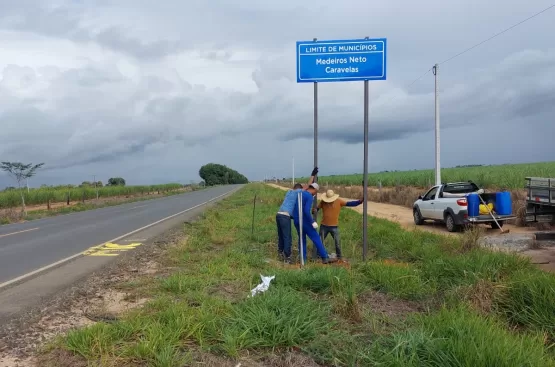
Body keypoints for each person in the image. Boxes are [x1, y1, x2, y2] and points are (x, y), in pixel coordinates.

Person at [276, 167, 318, 263]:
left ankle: (280, 253)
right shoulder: (297, 192)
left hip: (278, 215)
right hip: (285, 216)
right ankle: (287, 257)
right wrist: (313, 175)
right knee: (287, 237)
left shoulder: (289, 192)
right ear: (299, 189)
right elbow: (307, 186)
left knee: (281, 236)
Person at [292, 183, 337, 264]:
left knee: (302, 240)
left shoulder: (299, 194)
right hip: (305, 221)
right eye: (315, 192)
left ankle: (303, 260)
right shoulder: (309, 196)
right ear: (314, 190)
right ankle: (325, 257)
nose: (315, 194)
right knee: (316, 238)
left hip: (296, 220)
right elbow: (306, 211)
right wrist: (312, 221)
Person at [315, 189, 363, 260]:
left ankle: (339, 257)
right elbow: (317, 208)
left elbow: (349, 203)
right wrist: (315, 210)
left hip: (334, 227)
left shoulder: (339, 201)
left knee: (337, 243)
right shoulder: (323, 202)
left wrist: (359, 201)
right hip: (324, 226)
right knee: (320, 242)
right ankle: (318, 256)